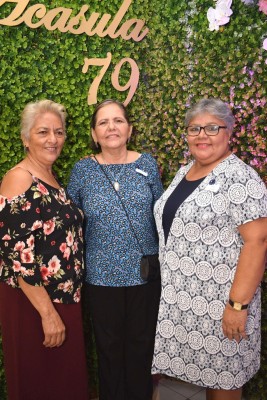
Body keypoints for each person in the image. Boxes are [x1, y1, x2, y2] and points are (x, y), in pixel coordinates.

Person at [151, 98, 267, 400]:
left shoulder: (239, 177)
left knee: (224, 382)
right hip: (190, 304)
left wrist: (237, 306)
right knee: (205, 377)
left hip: (224, 305)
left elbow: (258, 241)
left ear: (229, 132)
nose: (202, 135)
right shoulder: (185, 171)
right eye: (194, 129)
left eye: (212, 128)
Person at [67, 99, 163, 400]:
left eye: (118, 121)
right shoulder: (82, 170)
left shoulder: (147, 163)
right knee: (108, 350)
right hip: (100, 277)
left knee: (141, 347)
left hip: (144, 276)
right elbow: (71, 222)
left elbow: (161, 213)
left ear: (129, 129)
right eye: (103, 122)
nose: (112, 127)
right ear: (94, 134)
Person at [0, 99, 89, 400]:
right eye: (43, 132)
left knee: (63, 384)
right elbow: (16, 257)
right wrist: (48, 314)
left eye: (59, 132)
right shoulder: (20, 178)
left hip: (63, 298)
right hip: (35, 304)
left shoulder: (50, 178)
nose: (53, 139)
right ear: (26, 139)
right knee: (39, 384)